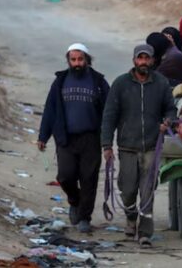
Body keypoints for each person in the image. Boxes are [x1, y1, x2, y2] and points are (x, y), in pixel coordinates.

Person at [101, 44, 177, 247]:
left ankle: (145, 233)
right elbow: (109, 115)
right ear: (134, 60)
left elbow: (171, 109)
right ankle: (131, 218)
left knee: (147, 191)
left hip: (152, 146)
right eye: (140, 58)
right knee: (127, 189)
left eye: (147, 58)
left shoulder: (161, 83)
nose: (144, 62)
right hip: (127, 146)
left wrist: (167, 122)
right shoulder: (120, 84)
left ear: (152, 60)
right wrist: (107, 145)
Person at [37, 43, 110, 233]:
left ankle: (84, 217)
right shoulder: (60, 81)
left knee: (89, 179)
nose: (77, 63)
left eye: (80, 59)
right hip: (66, 138)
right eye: (73, 59)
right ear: (69, 61)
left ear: (87, 59)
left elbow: (109, 110)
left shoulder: (98, 81)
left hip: (90, 138)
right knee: (65, 176)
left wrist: (108, 139)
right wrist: (43, 136)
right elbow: (50, 109)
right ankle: (74, 200)